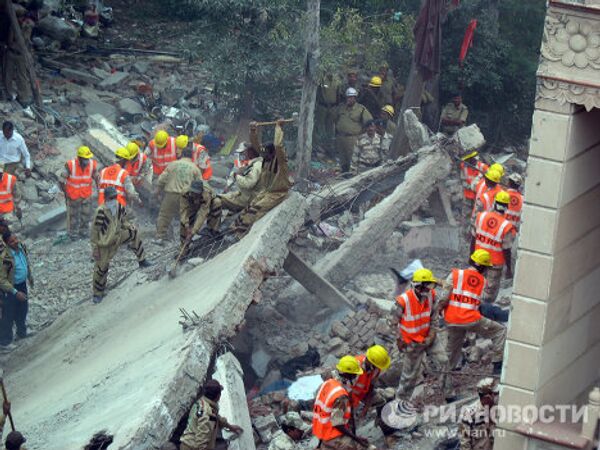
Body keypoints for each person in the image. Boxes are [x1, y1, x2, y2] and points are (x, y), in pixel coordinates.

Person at [438, 250, 506, 400]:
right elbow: (479, 302)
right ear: (482, 267)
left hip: (452, 320)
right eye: (486, 267)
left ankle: (446, 391)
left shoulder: (454, 275)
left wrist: (439, 312)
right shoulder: (482, 281)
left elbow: (443, 298)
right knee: (500, 331)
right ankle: (497, 366)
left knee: (450, 356)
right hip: (471, 319)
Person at [393, 269, 448, 400]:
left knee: (444, 361)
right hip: (412, 342)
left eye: (430, 285)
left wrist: (432, 335)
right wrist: (399, 340)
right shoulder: (402, 301)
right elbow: (392, 323)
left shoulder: (432, 296)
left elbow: (434, 318)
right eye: (426, 285)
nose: (428, 289)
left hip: (429, 337)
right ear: (417, 286)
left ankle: (449, 394)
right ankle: (399, 403)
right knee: (409, 377)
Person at [90, 187, 151, 304]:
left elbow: (123, 220)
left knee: (133, 233)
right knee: (101, 268)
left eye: (115, 197)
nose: (113, 199)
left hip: (118, 237)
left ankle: (142, 260)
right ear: (106, 198)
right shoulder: (101, 211)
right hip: (105, 244)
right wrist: (95, 248)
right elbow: (94, 232)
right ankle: (97, 293)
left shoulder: (118, 206)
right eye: (111, 197)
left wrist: (129, 226)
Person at [232, 120, 292, 238]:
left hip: (277, 193)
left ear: (273, 153)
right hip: (266, 191)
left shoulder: (280, 162)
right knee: (248, 208)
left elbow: (278, 145)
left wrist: (278, 128)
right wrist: (253, 131)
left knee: (254, 210)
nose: (262, 155)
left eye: (266, 153)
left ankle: (240, 235)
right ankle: (233, 229)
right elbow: (256, 146)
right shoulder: (265, 158)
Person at [312, 356, 374, 450]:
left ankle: (322, 445)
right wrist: (356, 439)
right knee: (366, 447)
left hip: (321, 430)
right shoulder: (341, 395)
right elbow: (337, 423)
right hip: (331, 434)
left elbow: (324, 413)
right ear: (347, 374)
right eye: (354, 374)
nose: (356, 376)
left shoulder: (328, 383)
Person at [471, 191, 516, 303]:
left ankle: (471, 308)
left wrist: (471, 255)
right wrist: (509, 269)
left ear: (494, 203)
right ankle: (483, 313)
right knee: (489, 292)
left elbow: (473, 237)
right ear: (506, 207)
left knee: (474, 284)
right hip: (494, 264)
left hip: (478, 258)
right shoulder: (506, 226)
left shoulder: (481, 217)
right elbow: (507, 250)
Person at [156, 147, 203, 243]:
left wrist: (158, 190)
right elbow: (200, 185)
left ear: (182, 155)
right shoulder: (195, 169)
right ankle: (186, 239)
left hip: (170, 195)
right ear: (192, 157)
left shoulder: (172, 164)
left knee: (164, 215)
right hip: (186, 197)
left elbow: (162, 179)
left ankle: (160, 237)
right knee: (186, 217)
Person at [180, 379, 243, 450]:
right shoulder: (207, 415)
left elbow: (216, 417)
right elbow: (201, 444)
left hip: (187, 443)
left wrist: (229, 426)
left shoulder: (201, 402)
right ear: (218, 396)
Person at [0, 232, 33, 346]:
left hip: (22, 285)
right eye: (12, 241)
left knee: (23, 309)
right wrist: (15, 292)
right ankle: (5, 342)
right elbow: (2, 280)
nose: (16, 242)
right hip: (11, 289)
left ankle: (21, 333)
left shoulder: (21, 248)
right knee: (8, 315)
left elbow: (26, 263)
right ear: (7, 244)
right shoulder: (5, 258)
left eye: (16, 239)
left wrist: (30, 277)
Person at [60, 146, 99, 239]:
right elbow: (61, 180)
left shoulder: (92, 165)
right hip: (73, 196)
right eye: (85, 159)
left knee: (86, 214)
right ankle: (73, 234)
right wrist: (66, 192)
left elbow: (97, 177)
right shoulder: (70, 165)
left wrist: (99, 188)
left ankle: (84, 232)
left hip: (86, 195)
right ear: (80, 158)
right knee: (73, 216)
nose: (87, 161)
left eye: (88, 158)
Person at [334, 88, 373, 174]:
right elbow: (335, 119)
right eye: (348, 97)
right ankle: (344, 175)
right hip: (341, 137)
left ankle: (352, 175)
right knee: (342, 159)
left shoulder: (361, 109)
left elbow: (369, 122)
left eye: (352, 97)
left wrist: (362, 133)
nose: (349, 99)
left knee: (353, 159)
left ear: (355, 98)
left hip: (353, 138)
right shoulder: (341, 108)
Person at [1, 4, 33, 106]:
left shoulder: (28, 25)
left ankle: (23, 97)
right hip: (11, 52)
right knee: (8, 74)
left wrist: (24, 29)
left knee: (22, 76)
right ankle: (8, 93)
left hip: (21, 54)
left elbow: (24, 41)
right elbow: (10, 40)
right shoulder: (12, 25)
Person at [180, 181, 222, 252]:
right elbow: (183, 210)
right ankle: (184, 247)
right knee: (183, 223)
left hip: (208, 202)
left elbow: (202, 214)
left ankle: (212, 230)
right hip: (192, 203)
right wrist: (186, 225)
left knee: (217, 202)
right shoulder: (185, 192)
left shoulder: (206, 194)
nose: (194, 194)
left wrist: (194, 231)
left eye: (196, 193)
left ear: (201, 191)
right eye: (193, 192)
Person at [219, 144, 262, 213]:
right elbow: (233, 176)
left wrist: (236, 176)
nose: (244, 154)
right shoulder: (250, 163)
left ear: (250, 153)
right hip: (240, 192)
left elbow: (248, 184)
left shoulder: (255, 166)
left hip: (246, 198)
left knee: (217, 201)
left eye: (244, 152)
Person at [459, 378, 499, 450]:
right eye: (495, 394)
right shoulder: (470, 414)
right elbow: (465, 443)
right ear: (488, 396)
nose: (497, 396)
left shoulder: (498, 409)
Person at [350, 345, 390, 414]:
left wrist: (366, 406)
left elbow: (371, 387)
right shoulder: (355, 367)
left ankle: (381, 420)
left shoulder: (376, 368)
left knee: (383, 400)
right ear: (369, 361)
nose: (378, 368)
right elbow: (345, 390)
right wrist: (356, 405)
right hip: (349, 396)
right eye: (377, 366)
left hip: (363, 394)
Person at [315, 73, 341, 150]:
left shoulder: (337, 81)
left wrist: (337, 107)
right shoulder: (322, 80)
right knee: (320, 126)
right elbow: (317, 92)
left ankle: (329, 147)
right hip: (322, 107)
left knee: (330, 128)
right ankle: (319, 147)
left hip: (333, 108)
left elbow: (338, 94)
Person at [459, 151, 489, 219]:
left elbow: (489, 178)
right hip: (469, 194)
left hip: (480, 195)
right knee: (467, 212)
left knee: (479, 212)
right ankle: (466, 223)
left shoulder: (482, 166)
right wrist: (469, 187)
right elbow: (463, 180)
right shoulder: (464, 167)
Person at [0, 163, 22, 227]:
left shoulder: (11, 179)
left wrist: (18, 208)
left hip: (7, 209)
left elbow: (17, 195)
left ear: (3, 172)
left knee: (8, 227)